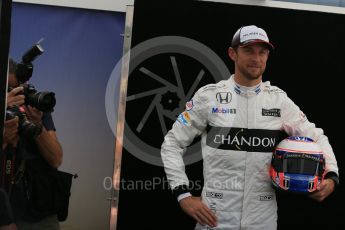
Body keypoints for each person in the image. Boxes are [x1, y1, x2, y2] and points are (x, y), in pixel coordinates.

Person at [161, 25, 339, 230]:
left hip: (262, 220)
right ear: (232, 53)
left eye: (262, 52)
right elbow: (172, 143)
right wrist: (183, 195)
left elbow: (317, 137)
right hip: (214, 218)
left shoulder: (278, 100)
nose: (256, 58)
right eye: (248, 50)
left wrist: (331, 176)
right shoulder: (209, 97)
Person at [1, 58, 63, 230]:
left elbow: (56, 159)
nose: (16, 95)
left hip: (37, 208)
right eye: (9, 90)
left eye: (18, 89)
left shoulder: (33, 107)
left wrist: (37, 123)